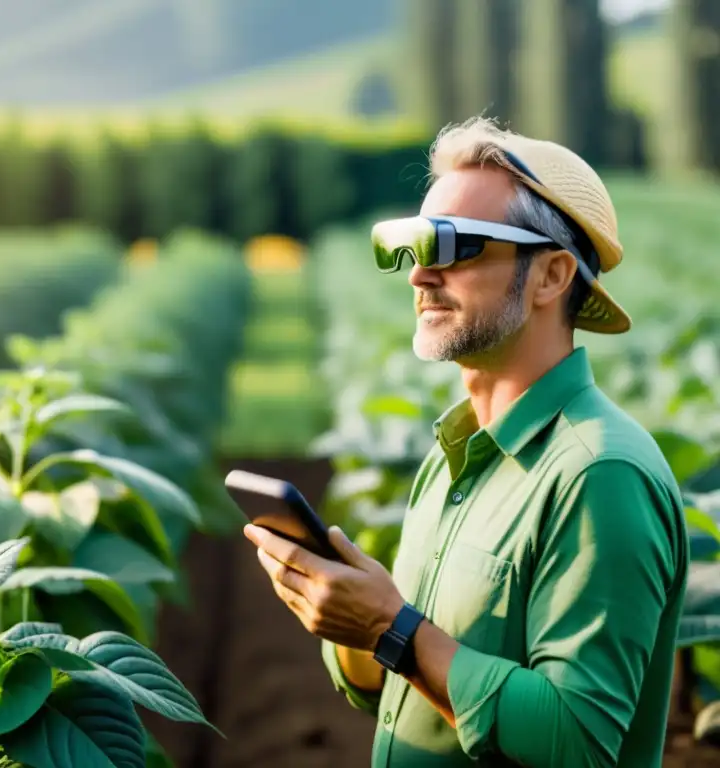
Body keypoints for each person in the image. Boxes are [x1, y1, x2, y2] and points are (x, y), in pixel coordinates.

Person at [244, 116, 689, 767]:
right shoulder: (453, 455)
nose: (420, 276)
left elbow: (578, 744)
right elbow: (404, 693)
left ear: (551, 276)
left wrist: (390, 628)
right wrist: (351, 625)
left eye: (452, 247)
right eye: (411, 247)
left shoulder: (601, 473)